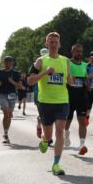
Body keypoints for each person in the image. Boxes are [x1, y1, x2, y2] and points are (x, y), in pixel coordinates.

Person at [28, 32, 73, 176]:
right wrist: (44, 73)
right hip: (45, 102)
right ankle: (44, 141)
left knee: (60, 131)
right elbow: (29, 81)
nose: (53, 44)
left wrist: (71, 80)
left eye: (56, 42)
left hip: (62, 101)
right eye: (51, 42)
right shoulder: (40, 61)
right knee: (48, 136)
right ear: (46, 44)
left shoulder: (66, 61)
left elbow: (69, 79)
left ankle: (56, 164)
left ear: (59, 44)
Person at [65, 43, 91, 155]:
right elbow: (64, 78)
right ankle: (66, 134)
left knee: (82, 121)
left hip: (82, 97)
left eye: (80, 51)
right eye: (77, 51)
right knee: (68, 120)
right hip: (69, 97)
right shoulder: (67, 63)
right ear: (72, 52)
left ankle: (82, 144)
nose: (79, 53)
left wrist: (88, 83)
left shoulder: (85, 65)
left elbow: (85, 79)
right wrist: (69, 79)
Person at [0, 56, 23, 144]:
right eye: (6, 62)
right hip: (2, 95)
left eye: (10, 62)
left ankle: (6, 133)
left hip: (12, 95)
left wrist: (12, 82)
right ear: (4, 62)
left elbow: (20, 86)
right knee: (6, 113)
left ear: (12, 63)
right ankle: (6, 133)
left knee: (9, 115)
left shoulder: (16, 73)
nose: (8, 64)